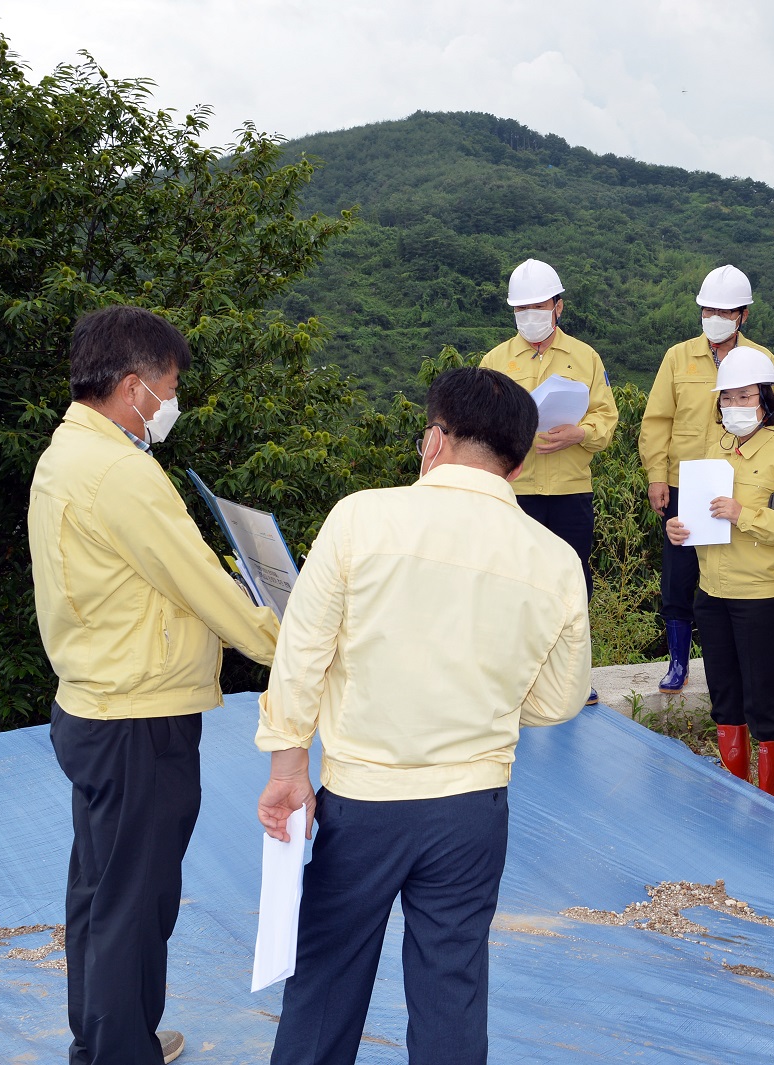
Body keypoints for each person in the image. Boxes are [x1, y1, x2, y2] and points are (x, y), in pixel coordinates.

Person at [255, 367, 591, 1065]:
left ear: (434, 439)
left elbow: (301, 654)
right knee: (451, 991)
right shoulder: (554, 560)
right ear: (520, 463)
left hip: (365, 800)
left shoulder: (361, 517)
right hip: (472, 808)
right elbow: (559, 701)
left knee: (326, 981)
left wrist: (289, 765)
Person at [28, 305, 280, 1065]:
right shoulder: (119, 471)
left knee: (102, 889)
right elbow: (202, 581)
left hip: (95, 700)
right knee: (135, 899)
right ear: (134, 386)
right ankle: (117, 1052)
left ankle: (109, 1034)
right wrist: (293, 641)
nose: (173, 404)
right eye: (170, 388)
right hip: (139, 714)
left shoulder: (68, 451)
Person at [666, 347, 774, 799]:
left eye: (744, 396)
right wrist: (680, 528)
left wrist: (744, 514)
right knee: (724, 696)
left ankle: (770, 800)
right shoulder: (715, 450)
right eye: (726, 398)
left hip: (759, 595)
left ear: (766, 401)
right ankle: (736, 789)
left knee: (763, 698)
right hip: (712, 591)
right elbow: (700, 516)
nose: (734, 406)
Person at [640, 265, 774, 695]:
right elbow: (657, 421)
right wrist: (657, 476)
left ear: (743, 315)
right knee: (679, 573)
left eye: (725, 311)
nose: (715, 317)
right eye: (708, 309)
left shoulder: (761, 359)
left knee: (735, 569)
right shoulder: (678, 357)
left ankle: (732, 661)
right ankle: (677, 661)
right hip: (685, 481)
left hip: (745, 486)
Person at [481, 258, 617, 704]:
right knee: (512, 584)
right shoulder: (495, 361)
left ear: (558, 306)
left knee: (572, 584)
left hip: (569, 490)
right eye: (520, 309)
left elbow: (605, 418)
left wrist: (580, 433)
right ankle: (514, 681)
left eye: (538, 306)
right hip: (513, 492)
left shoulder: (585, 357)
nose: (529, 316)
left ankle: (571, 680)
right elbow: (479, 425)